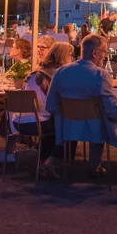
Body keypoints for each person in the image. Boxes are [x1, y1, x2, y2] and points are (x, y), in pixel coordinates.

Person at [46, 33, 117, 177]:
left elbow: (50, 105)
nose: (106, 56)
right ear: (95, 53)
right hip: (96, 128)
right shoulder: (100, 74)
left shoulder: (60, 72)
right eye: (105, 52)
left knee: (102, 115)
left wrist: (69, 114)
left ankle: (61, 162)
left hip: (68, 126)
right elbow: (112, 112)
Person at [17, 40, 72, 175]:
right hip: (37, 122)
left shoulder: (36, 72)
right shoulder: (54, 75)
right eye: (71, 56)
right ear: (63, 57)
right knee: (70, 124)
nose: (73, 59)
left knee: (55, 124)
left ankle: (36, 157)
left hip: (18, 122)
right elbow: (56, 102)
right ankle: (50, 161)